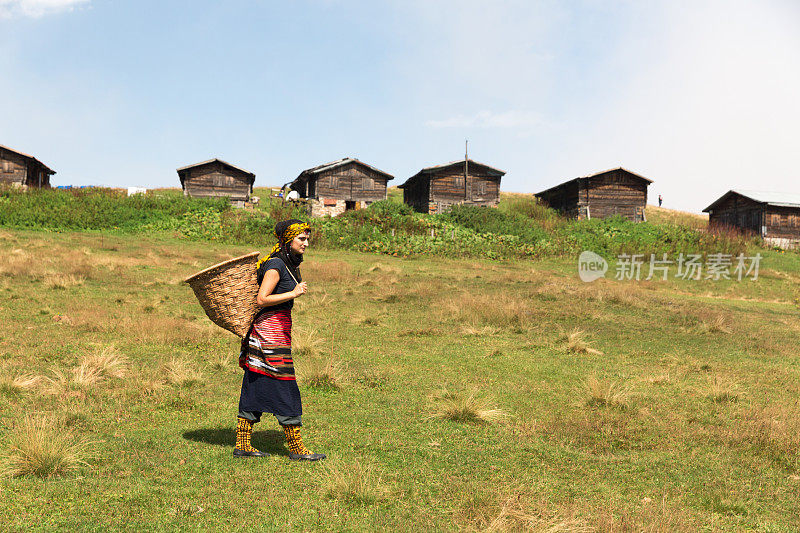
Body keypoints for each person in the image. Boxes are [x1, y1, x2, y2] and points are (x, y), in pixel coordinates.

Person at [233, 219, 326, 461]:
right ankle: (295, 447)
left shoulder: (288, 263)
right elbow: (261, 299)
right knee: (286, 384)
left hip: (277, 330)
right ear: (287, 240)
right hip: (268, 334)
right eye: (301, 239)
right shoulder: (275, 265)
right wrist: (293, 293)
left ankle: (242, 443)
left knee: (257, 381)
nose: (306, 243)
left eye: (307, 238)